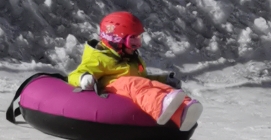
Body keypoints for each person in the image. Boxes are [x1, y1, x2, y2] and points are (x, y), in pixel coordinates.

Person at [67, 11, 201, 131]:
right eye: (133, 40)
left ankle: (184, 110)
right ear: (115, 39)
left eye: (139, 39)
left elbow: (145, 81)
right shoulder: (98, 58)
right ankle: (160, 105)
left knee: (157, 87)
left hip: (135, 87)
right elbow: (74, 75)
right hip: (112, 90)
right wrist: (84, 78)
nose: (138, 45)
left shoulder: (131, 58)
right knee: (132, 83)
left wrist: (163, 80)